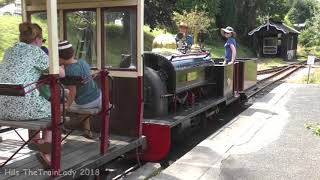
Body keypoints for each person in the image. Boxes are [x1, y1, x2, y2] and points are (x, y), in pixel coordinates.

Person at [0, 22, 52, 166]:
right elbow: (59, 73)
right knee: (55, 112)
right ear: (37, 39)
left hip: (2, 108)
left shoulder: (9, 51)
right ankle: (45, 148)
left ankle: (35, 141)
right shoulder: (37, 52)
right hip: (25, 108)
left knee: (33, 99)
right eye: (42, 40)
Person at [58, 40, 101, 139]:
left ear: (60, 58)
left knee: (58, 102)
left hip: (85, 102)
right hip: (97, 96)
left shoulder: (70, 71)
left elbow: (72, 92)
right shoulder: (82, 62)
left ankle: (59, 128)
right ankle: (87, 130)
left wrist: (67, 106)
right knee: (72, 94)